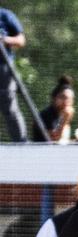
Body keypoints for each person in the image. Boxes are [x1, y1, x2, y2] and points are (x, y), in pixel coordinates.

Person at [0, 6, 26, 142]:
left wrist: (4, 40)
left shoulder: (5, 15)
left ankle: (21, 143)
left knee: (9, 107)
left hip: (3, 68)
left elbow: (21, 40)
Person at [32, 75, 74, 143]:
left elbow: (62, 142)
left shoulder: (61, 116)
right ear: (54, 98)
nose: (67, 101)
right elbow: (54, 140)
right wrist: (65, 120)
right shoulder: (45, 115)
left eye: (70, 99)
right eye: (63, 97)